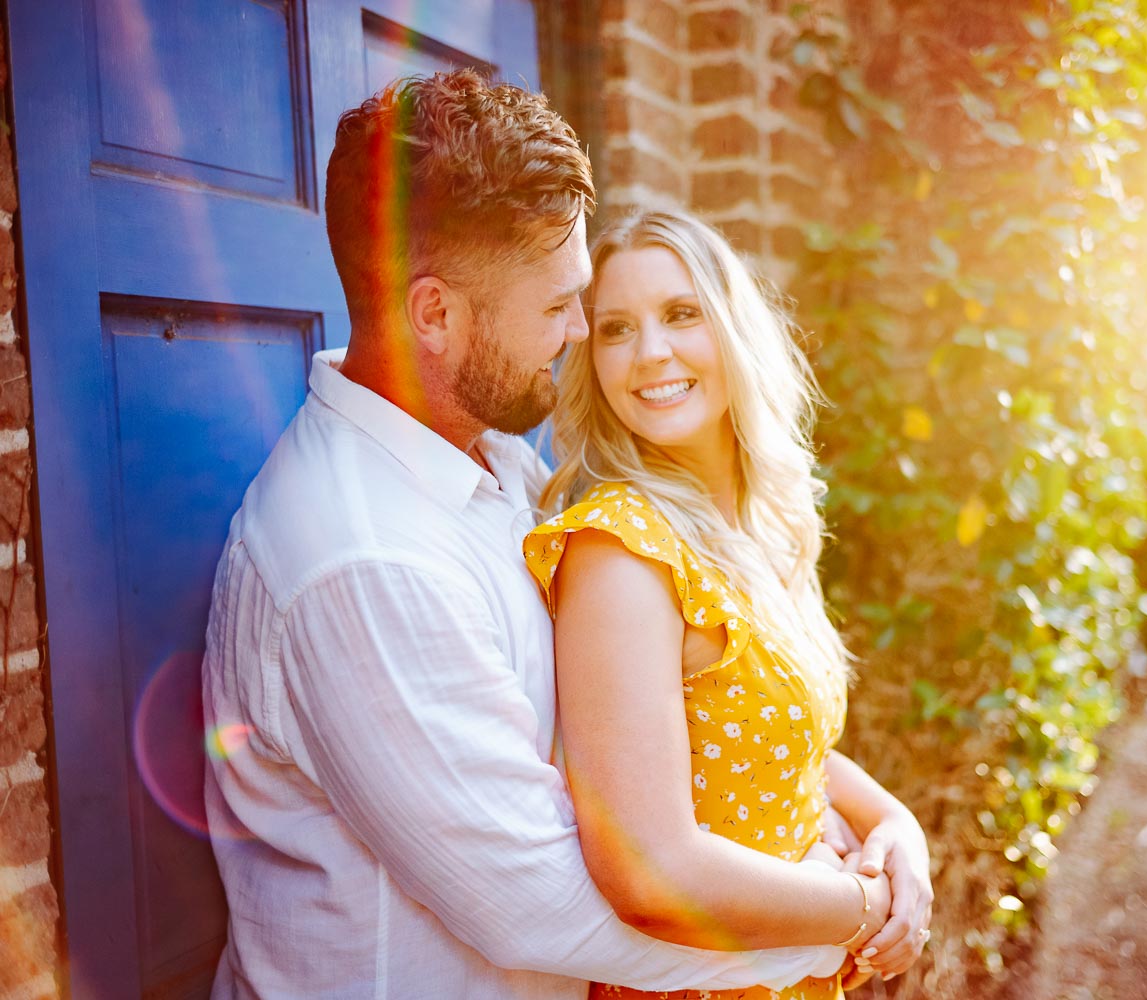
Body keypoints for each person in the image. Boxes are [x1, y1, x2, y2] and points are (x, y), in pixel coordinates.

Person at [201, 70, 847, 999]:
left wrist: (851, 823)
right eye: (557, 307)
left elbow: (669, 710)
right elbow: (538, 900)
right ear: (436, 315)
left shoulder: (492, 463)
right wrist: (845, 927)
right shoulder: (361, 557)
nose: (582, 332)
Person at [523, 208, 934, 999]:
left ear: (733, 328)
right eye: (615, 329)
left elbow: (776, 743)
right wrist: (867, 905)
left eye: (682, 315)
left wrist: (897, 826)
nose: (651, 354)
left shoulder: (756, 526)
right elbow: (651, 873)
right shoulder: (622, 552)